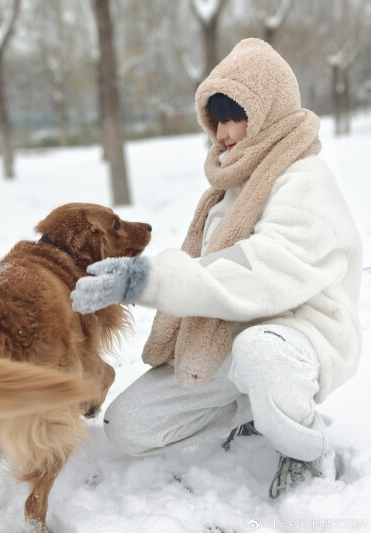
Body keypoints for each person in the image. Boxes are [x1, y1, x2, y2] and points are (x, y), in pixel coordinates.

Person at [70, 38, 362, 498]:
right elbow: (206, 270)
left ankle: (307, 450)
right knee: (129, 427)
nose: (222, 133)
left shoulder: (305, 180)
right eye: (217, 120)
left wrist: (150, 280)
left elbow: (259, 270)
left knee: (261, 355)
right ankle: (255, 408)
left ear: (268, 113)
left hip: (300, 336)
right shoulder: (228, 191)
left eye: (234, 117)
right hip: (230, 340)